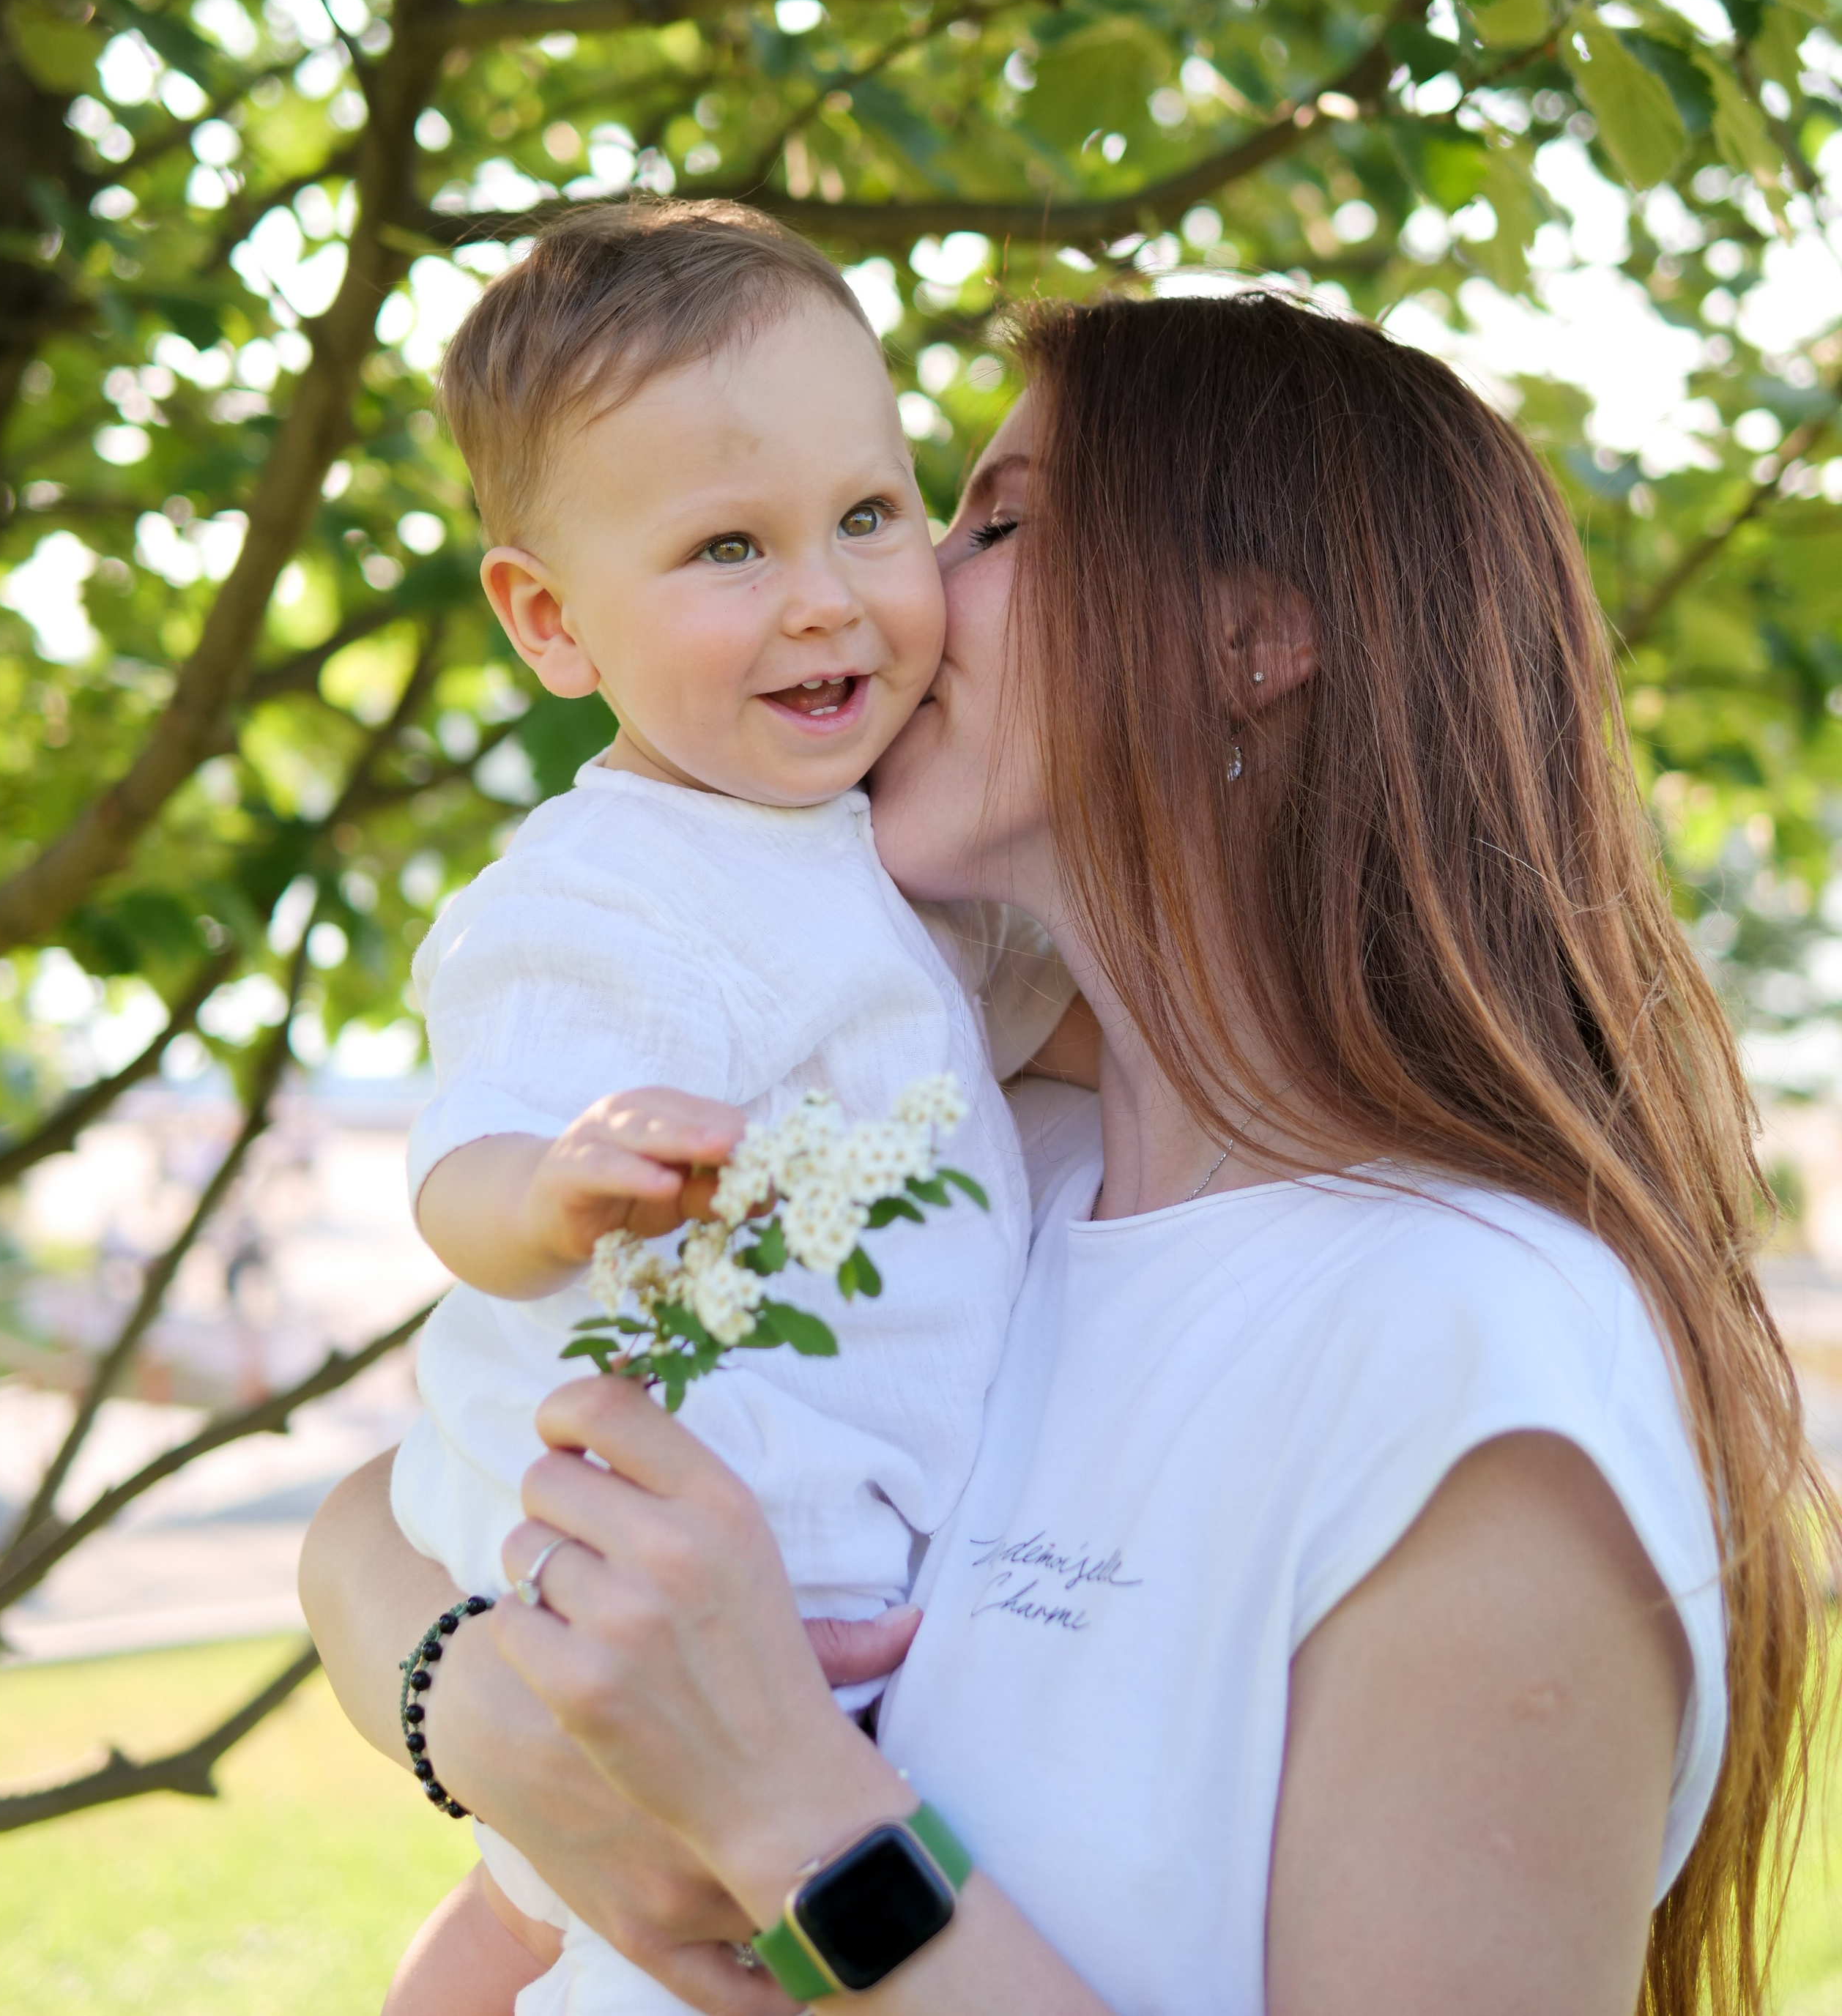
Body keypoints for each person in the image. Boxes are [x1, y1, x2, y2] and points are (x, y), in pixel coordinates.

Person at [303, 289, 1828, 2016]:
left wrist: (788, 1815)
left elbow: (744, 1756)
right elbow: (379, 1514)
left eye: (984, 524)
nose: (896, 593)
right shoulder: (976, 1170)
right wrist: (479, 1707)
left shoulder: (1475, 1360)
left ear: (1241, 642)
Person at [379, 201, 1076, 2013]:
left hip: (796, 1585)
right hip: (712, 1568)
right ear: (551, 622)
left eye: (868, 515)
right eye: (725, 548)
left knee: (541, 1915)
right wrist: (554, 1186)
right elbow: (455, 1173)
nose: (823, 597)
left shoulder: (857, 852)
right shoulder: (604, 895)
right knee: (634, 1947)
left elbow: (998, 1028)